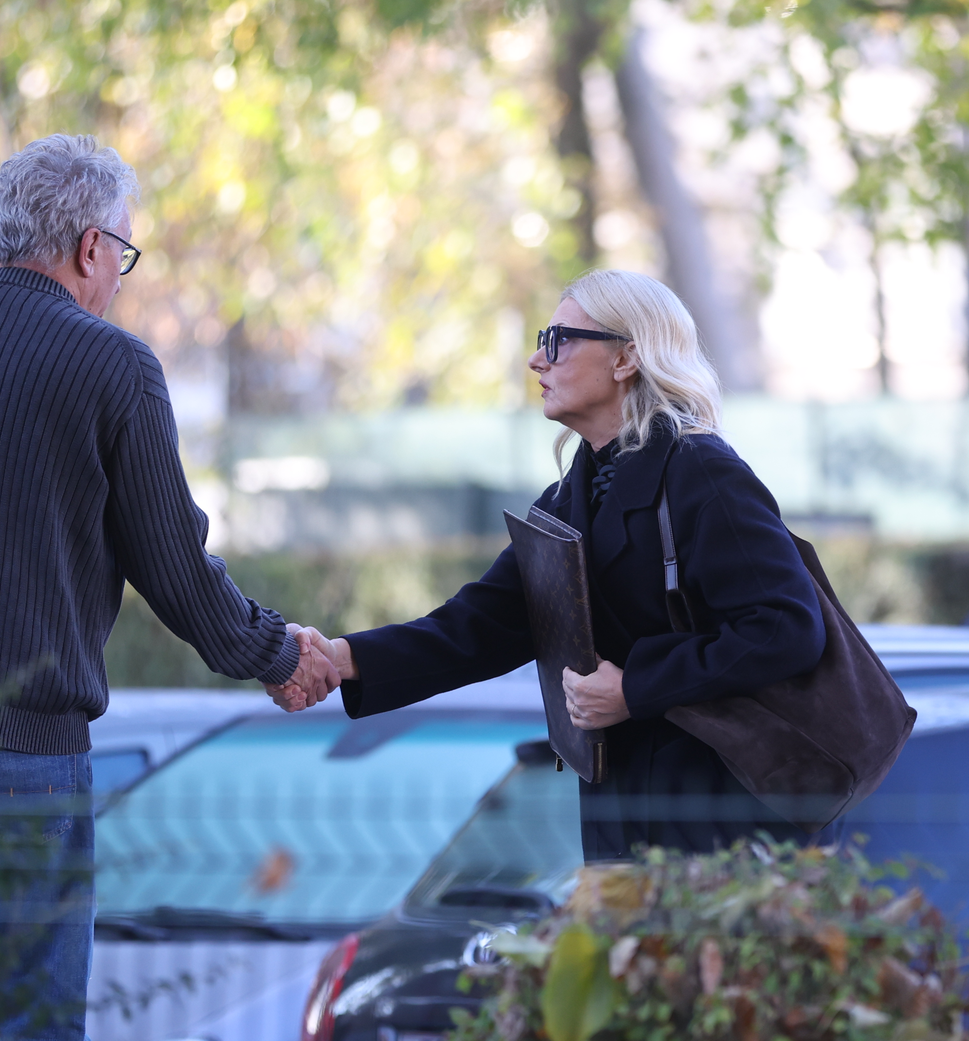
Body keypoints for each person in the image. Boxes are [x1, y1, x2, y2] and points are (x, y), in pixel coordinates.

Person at [0, 133, 339, 1040]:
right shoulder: (114, 367)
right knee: (36, 1021)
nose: (120, 276)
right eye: (122, 252)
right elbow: (173, 564)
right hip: (22, 753)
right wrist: (276, 654)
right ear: (91, 248)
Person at [302, 269, 825, 860]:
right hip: (620, 815)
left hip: (721, 820)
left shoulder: (701, 472)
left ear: (625, 358)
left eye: (557, 340)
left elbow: (785, 628)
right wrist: (341, 659)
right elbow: (480, 626)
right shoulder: (569, 497)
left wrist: (634, 688)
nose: (536, 360)